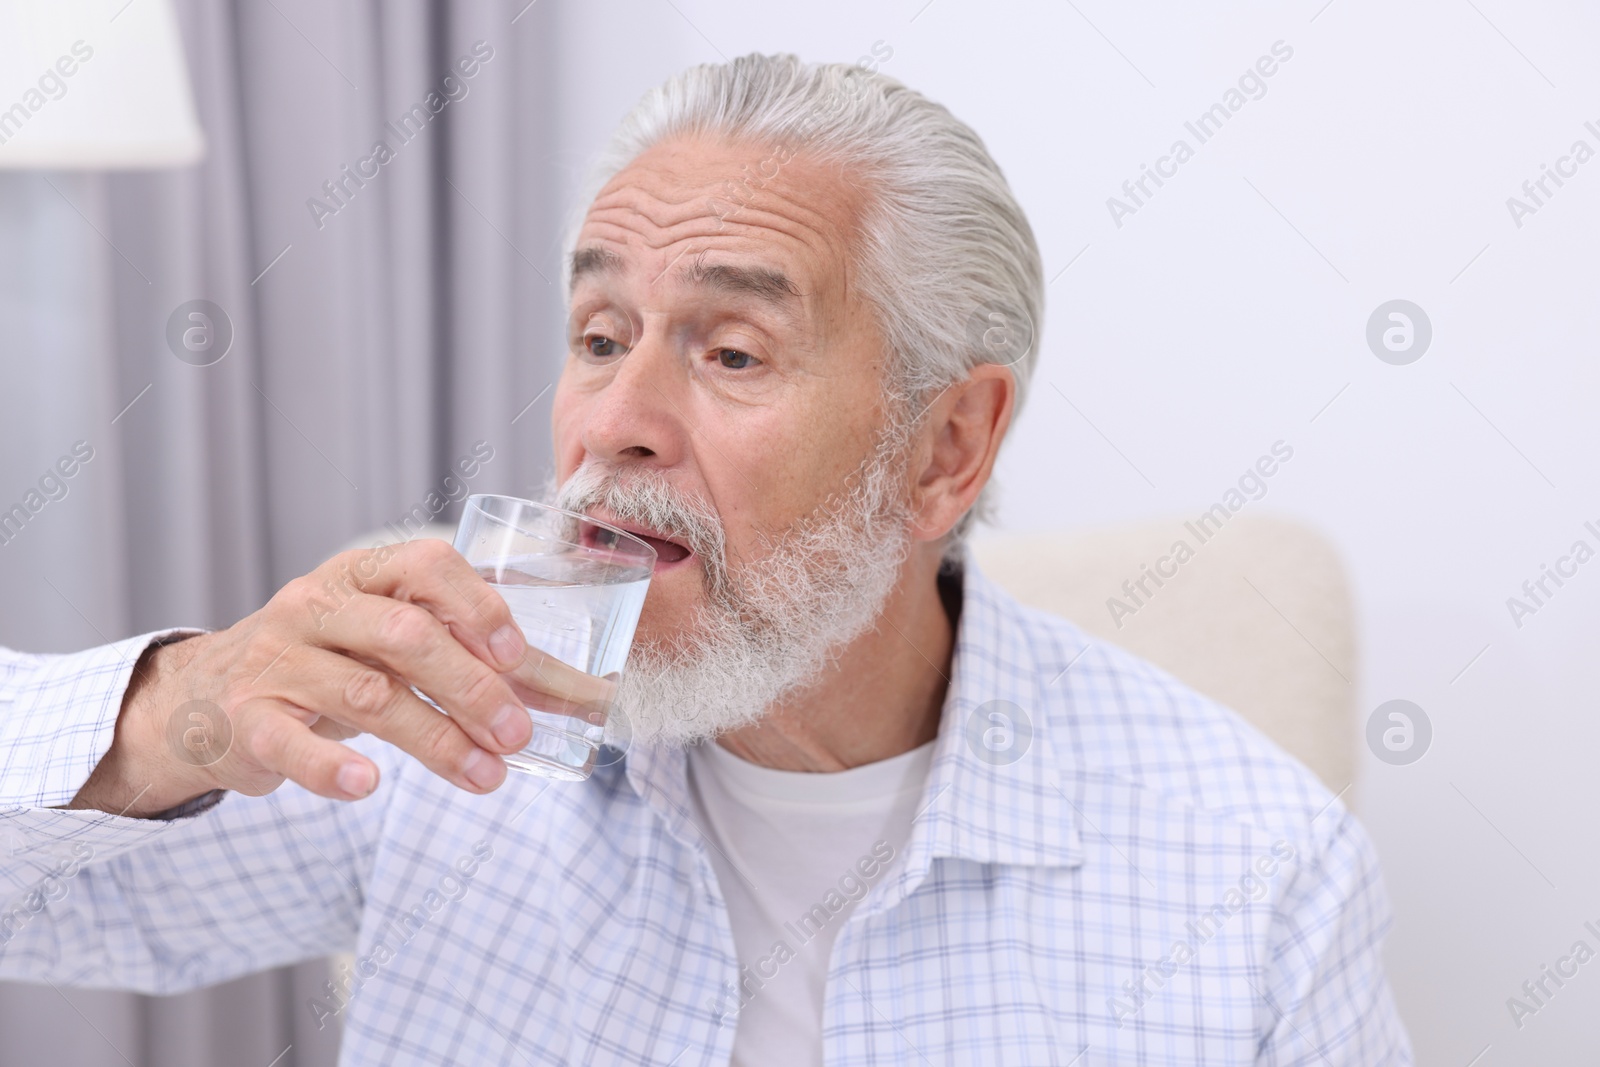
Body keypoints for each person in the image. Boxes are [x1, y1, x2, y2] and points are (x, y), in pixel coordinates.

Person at [0, 53, 1410, 1065]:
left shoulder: (1259, 874)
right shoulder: (442, 693)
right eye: (600, 340)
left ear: (947, 451)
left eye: (731, 353)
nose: (614, 424)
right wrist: (174, 708)